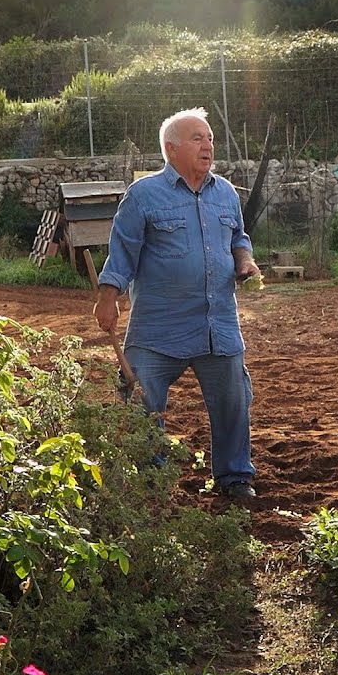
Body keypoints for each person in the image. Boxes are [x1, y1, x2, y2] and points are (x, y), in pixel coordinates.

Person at [93, 107, 261, 499]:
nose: (208, 146)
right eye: (197, 138)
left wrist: (245, 260)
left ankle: (235, 477)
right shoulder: (144, 195)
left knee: (233, 401)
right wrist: (108, 297)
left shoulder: (226, 193)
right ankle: (153, 480)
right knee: (140, 400)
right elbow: (122, 252)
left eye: (210, 139)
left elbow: (239, 237)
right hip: (158, 328)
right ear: (171, 149)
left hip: (216, 324)